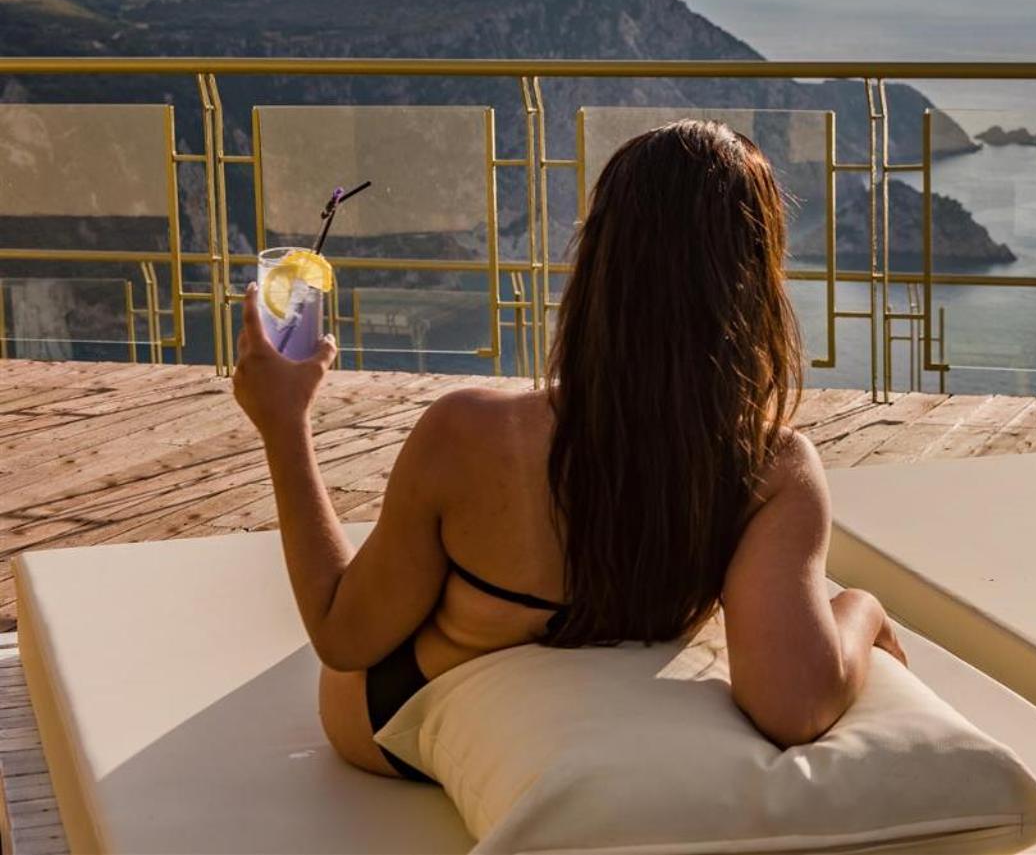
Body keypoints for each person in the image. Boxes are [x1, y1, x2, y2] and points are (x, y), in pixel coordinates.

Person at [232, 120, 905, 780]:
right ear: (756, 279)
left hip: (395, 721)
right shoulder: (771, 469)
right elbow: (794, 705)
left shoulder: (468, 433)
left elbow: (343, 636)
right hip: (608, 741)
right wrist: (861, 607)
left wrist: (285, 425)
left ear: (598, 264)